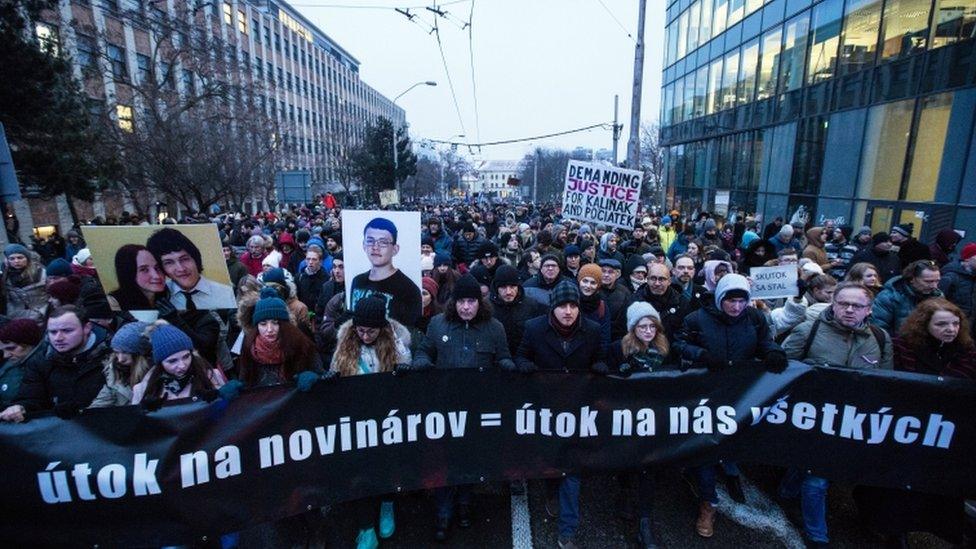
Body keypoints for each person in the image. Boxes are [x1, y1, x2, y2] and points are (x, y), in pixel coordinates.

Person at [779, 282, 892, 547]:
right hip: (810, 417)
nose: (849, 310)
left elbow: (889, 382)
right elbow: (779, 368)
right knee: (817, 479)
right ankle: (817, 536)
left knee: (808, 469)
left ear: (869, 310)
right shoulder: (808, 330)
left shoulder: (880, 338)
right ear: (834, 304)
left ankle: (786, 491)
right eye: (843, 304)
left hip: (852, 421)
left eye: (857, 306)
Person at [674, 274, 787, 538]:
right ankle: (708, 502)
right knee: (706, 446)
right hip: (704, 395)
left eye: (741, 301)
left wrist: (773, 351)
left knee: (731, 441)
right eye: (730, 300)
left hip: (740, 394)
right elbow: (678, 344)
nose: (736, 307)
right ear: (719, 297)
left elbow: (764, 341)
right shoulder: (696, 319)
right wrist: (701, 355)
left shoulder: (755, 318)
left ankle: (730, 472)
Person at [407, 274, 513, 542]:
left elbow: (503, 358)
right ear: (453, 303)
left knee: (469, 459)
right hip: (445, 408)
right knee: (444, 460)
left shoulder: (495, 328)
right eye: (461, 301)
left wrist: (508, 366)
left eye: (471, 301)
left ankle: (465, 503)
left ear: (480, 302)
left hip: (478, 409)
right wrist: (421, 362)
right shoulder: (437, 324)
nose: (466, 307)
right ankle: (443, 511)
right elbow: (424, 351)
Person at [510, 280, 607, 549]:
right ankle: (551, 490)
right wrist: (526, 366)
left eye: (573, 305)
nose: (568, 311)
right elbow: (520, 356)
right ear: (553, 307)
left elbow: (602, 357)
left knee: (571, 469)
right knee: (550, 461)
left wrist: (600, 365)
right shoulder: (534, 328)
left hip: (577, 411)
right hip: (545, 410)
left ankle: (567, 530)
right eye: (562, 306)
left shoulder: (593, 330)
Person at [609, 301, 673, 548]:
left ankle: (644, 523)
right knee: (627, 460)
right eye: (643, 326)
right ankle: (624, 493)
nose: (648, 331)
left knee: (649, 466)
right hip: (626, 417)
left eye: (652, 327)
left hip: (655, 418)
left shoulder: (665, 349)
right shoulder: (619, 349)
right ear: (632, 328)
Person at [0, 306, 111, 422]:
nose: (58, 338)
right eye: (53, 332)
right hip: (60, 431)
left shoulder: (112, 357)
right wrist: (21, 407)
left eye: (67, 331)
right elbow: (32, 398)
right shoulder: (41, 361)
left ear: (87, 328)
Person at [349, 217, 422, 328]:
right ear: (364, 245)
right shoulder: (358, 281)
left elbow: (409, 334)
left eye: (383, 242)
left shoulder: (409, 290)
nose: (375, 247)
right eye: (370, 241)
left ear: (395, 249)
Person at [131, 323, 226, 405]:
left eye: (186, 356)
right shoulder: (143, 390)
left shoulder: (211, 377)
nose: (182, 365)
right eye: (172, 361)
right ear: (160, 363)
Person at [146, 228, 235, 310]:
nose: (181, 269)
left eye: (184, 259)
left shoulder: (227, 293)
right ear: (162, 268)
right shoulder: (157, 297)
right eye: (169, 262)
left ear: (195, 259)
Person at [622, 263, 694, 341]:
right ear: (647, 280)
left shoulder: (681, 303)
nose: (657, 283)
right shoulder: (634, 301)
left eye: (661, 279)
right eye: (653, 278)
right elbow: (624, 329)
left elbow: (685, 332)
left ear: (669, 281)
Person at [872, 259, 943, 334]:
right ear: (912, 279)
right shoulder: (888, 298)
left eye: (937, 281)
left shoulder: (938, 296)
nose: (934, 286)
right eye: (928, 281)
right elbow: (878, 330)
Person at [90, 321, 152, 407]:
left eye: (126, 352)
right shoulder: (113, 372)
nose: (120, 359)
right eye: (116, 352)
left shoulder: (162, 375)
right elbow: (101, 403)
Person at [490, 264, 546, 356]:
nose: (508, 292)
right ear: (496, 288)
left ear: (518, 287)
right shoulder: (487, 307)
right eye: (503, 287)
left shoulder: (531, 305)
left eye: (512, 287)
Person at [0, 319, 45, 409]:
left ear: (29, 343)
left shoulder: (45, 365)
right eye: (3, 350)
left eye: (11, 348)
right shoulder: (12, 363)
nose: (5, 355)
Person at [107, 244, 168, 311]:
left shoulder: (168, 294)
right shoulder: (113, 302)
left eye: (157, 268)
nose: (156, 275)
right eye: (144, 269)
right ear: (129, 274)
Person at [3, 243, 48, 322]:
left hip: (42, 316)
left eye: (20, 258)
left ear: (27, 258)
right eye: (12, 258)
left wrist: (42, 312)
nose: (16, 261)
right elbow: (7, 300)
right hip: (17, 319)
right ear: (7, 260)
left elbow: (50, 295)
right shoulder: (5, 277)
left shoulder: (41, 273)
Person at [938, 243, 976, 330]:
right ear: (967, 259)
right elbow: (936, 301)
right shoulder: (950, 276)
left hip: (968, 327)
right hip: (950, 326)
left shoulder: (973, 276)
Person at [577, 263, 611, 355]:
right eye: (585, 281)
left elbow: (605, 337)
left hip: (593, 354)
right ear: (579, 281)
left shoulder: (602, 306)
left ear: (598, 285)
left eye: (593, 283)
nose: (588, 286)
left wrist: (600, 358)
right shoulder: (571, 301)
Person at [296, 245, 328, 314]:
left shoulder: (326, 278)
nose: (310, 262)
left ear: (320, 261)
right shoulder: (299, 277)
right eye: (308, 259)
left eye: (314, 259)